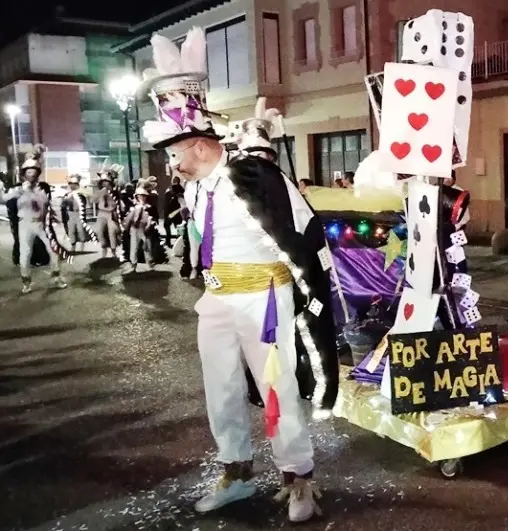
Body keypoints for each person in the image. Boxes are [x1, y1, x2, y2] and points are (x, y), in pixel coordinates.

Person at [139, 27, 339, 522]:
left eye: (174, 152)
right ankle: (237, 473)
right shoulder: (194, 188)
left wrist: (317, 296)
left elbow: (303, 232)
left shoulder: (255, 177)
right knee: (220, 389)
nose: (171, 164)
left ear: (199, 144)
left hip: (266, 300)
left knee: (279, 388)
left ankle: (299, 479)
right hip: (217, 300)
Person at [1, 145, 69, 293]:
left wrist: (54, 220)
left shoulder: (42, 189)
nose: (31, 174)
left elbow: (47, 206)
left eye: (34, 171)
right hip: (25, 225)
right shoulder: (19, 189)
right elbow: (3, 198)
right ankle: (26, 283)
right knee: (25, 254)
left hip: (41, 225)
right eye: (28, 171)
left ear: (37, 174)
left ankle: (56, 277)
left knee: (54, 251)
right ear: (25, 174)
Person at [93, 165, 124, 259]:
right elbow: (93, 200)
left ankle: (113, 252)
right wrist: (99, 193)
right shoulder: (100, 191)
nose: (104, 183)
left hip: (111, 213)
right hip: (102, 213)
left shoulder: (115, 191)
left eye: (106, 181)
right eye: (103, 181)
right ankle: (104, 247)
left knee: (112, 231)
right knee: (99, 231)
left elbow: (119, 202)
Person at [123, 187, 156, 272]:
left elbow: (151, 218)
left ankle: (149, 264)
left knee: (147, 246)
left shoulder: (149, 207)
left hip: (145, 229)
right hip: (135, 228)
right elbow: (129, 219)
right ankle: (133, 265)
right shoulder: (134, 208)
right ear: (137, 197)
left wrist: (148, 226)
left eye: (143, 196)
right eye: (140, 196)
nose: (142, 197)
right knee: (134, 247)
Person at [61, 175, 94, 252]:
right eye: (71, 184)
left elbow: (84, 204)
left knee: (80, 230)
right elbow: (63, 206)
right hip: (70, 214)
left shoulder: (81, 195)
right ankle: (73, 246)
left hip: (78, 214)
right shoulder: (67, 195)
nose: (72, 186)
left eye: (74, 184)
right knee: (71, 231)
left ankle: (82, 246)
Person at [164, 176, 185, 247]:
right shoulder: (182, 190)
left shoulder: (169, 190)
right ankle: (178, 242)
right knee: (178, 228)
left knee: (168, 227)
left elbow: (166, 203)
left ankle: (168, 241)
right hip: (177, 212)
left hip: (171, 212)